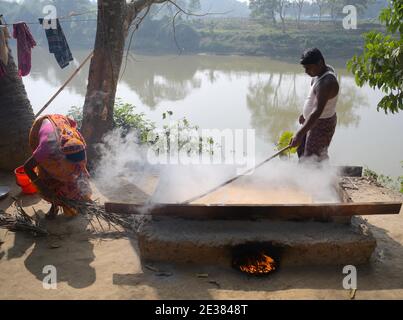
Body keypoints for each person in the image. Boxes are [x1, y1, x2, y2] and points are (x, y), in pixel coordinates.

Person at [24, 114, 92, 219]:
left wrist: (83, 191)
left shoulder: (77, 141)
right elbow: (27, 168)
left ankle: (78, 201)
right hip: (45, 129)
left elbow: (80, 168)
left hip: (60, 122)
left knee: (73, 177)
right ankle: (54, 206)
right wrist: (42, 186)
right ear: (61, 156)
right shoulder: (45, 150)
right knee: (48, 176)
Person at [290, 48, 339, 162]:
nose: (306, 71)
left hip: (322, 123)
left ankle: (322, 177)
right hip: (313, 119)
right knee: (301, 149)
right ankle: (310, 175)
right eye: (305, 68)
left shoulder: (327, 82)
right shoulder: (319, 72)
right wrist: (305, 114)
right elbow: (314, 98)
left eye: (308, 68)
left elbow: (317, 111)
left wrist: (299, 133)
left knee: (312, 157)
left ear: (320, 63)